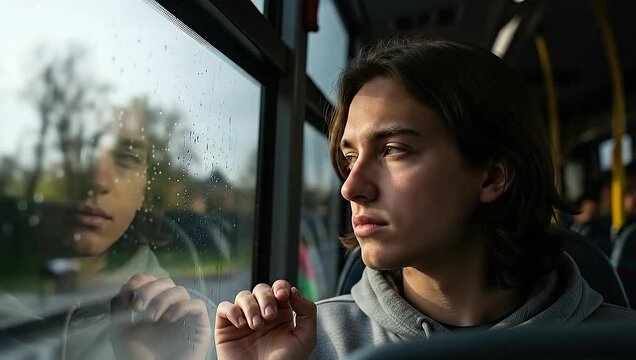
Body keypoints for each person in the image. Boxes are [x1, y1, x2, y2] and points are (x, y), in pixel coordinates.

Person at [114, 35, 636, 360]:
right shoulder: (308, 344)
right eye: (348, 156)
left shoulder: (615, 343)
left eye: (394, 149)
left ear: (492, 176)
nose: (351, 186)